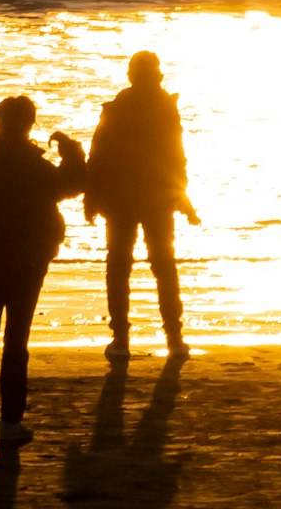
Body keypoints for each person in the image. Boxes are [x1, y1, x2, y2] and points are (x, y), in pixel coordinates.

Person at [0, 94, 90, 432]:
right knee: (16, 340)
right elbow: (72, 185)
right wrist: (72, 152)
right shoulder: (34, 166)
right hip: (27, 259)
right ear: (29, 125)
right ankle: (11, 422)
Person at [85, 49, 198, 360]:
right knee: (164, 265)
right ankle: (174, 337)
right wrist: (183, 199)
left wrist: (91, 198)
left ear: (132, 76)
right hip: (157, 200)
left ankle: (121, 339)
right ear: (156, 74)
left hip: (121, 200)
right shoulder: (165, 107)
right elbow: (177, 160)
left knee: (119, 267)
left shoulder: (117, 107)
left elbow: (98, 156)